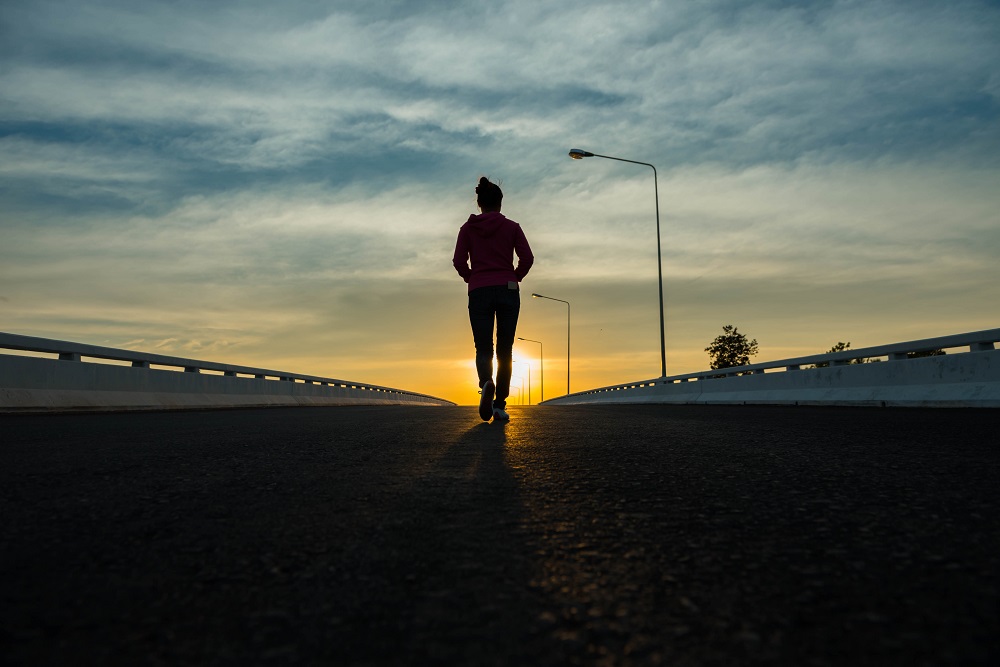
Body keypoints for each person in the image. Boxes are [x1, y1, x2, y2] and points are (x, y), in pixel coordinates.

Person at [453, 177, 534, 422]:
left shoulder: (467, 229)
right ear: (500, 203)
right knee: (505, 349)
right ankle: (499, 405)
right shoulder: (512, 227)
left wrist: (472, 278)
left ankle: (486, 382)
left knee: (483, 347)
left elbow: (458, 261)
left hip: (479, 290)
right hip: (507, 289)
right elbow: (527, 258)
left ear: (479, 203)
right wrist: (513, 277)